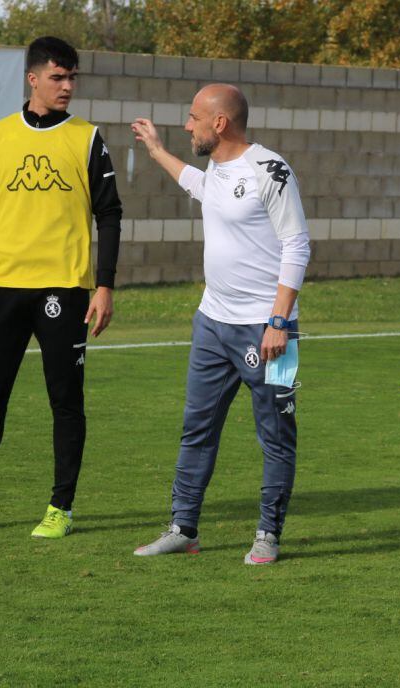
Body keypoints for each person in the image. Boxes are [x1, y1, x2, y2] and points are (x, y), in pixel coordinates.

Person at [0, 36, 122, 539]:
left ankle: (61, 507)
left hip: (64, 287)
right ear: (32, 79)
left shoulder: (87, 137)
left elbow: (110, 213)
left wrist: (105, 285)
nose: (67, 86)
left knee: (65, 399)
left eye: (72, 77)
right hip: (0, 286)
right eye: (58, 77)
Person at [129, 83, 310, 565]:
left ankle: (268, 535)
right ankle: (182, 528)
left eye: (193, 117)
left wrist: (278, 321)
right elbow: (199, 185)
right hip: (212, 325)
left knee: (277, 435)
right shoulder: (216, 167)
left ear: (219, 123)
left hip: (272, 332)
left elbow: (297, 246)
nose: (187, 124)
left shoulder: (271, 170)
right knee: (197, 428)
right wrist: (157, 151)